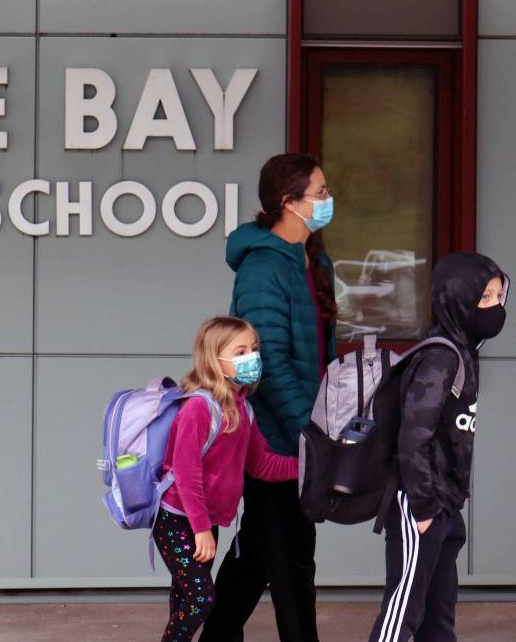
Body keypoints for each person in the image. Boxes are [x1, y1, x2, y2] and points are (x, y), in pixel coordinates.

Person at [200, 153, 337, 642]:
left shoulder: (313, 259)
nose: (327, 200)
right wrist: (308, 427)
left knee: (261, 549)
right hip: (276, 434)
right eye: (319, 193)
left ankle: (216, 633)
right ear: (288, 202)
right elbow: (268, 363)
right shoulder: (262, 269)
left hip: (306, 424)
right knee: (293, 558)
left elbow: (322, 348)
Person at [369, 253, 507, 642]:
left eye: (499, 297)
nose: (496, 307)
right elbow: (413, 437)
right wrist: (425, 506)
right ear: (457, 299)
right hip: (422, 505)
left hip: (446, 505)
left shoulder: (463, 352)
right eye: (485, 298)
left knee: (438, 618)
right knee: (403, 613)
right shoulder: (440, 357)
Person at [153, 316, 298, 642]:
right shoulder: (198, 409)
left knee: (184, 598)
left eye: (255, 349)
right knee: (200, 599)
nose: (252, 358)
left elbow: (262, 465)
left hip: (207, 522)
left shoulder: (243, 410)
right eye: (241, 351)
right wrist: (201, 529)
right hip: (177, 520)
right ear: (214, 360)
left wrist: (310, 469)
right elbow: (187, 475)